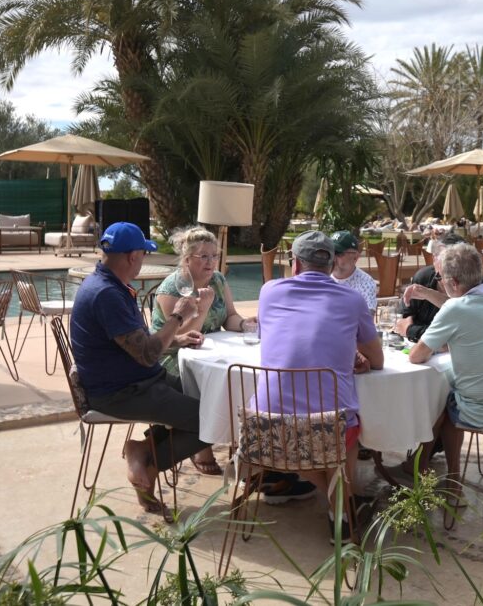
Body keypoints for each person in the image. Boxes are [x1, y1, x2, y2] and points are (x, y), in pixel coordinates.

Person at [70, 222, 207, 514]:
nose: (144, 260)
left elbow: (138, 345)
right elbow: (145, 354)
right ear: (133, 256)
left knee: (213, 402)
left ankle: (144, 455)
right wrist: (177, 318)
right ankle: (144, 456)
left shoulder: (111, 286)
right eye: (144, 254)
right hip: (122, 391)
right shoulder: (106, 295)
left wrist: (176, 340)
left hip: (139, 380)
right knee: (211, 420)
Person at [255, 231, 384, 538]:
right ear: (330, 265)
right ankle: (341, 510)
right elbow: (377, 361)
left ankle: (338, 503)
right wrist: (351, 355)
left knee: (315, 425)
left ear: (295, 264)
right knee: (342, 427)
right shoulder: (352, 299)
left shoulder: (269, 291)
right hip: (327, 429)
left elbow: (276, 338)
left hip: (264, 430)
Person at [408, 243, 483, 502]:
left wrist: (403, 330)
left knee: (440, 399)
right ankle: (425, 467)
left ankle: (443, 477)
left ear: (451, 282)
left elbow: (416, 355)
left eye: (439, 278)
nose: (438, 282)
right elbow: (461, 304)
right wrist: (429, 293)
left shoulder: (455, 310)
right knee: (449, 386)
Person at [151, 226, 255, 476]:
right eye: (204, 256)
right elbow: (181, 335)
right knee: (210, 382)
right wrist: (204, 307)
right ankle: (200, 445)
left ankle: (244, 443)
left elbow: (230, 315)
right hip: (172, 356)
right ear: (187, 260)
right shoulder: (171, 288)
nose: (211, 262)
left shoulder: (218, 280)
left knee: (238, 378)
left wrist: (244, 324)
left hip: (208, 351)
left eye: (214, 256)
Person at [394, 232, 466, 341]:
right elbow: (403, 318)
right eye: (446, 259)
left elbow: (458, 333)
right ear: (434, 259)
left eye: (458, 260)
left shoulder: (474, 282)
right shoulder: (423, 278)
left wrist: (411, 330)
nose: (452, 266)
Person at [330, 230, 378, 312]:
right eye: (330, 252)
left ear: (355, 257)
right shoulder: (321, 277)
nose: (333, 258)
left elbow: (367, 320)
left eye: (339, 253)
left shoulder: (365, 283)